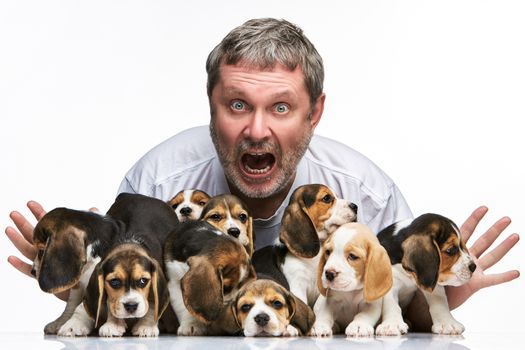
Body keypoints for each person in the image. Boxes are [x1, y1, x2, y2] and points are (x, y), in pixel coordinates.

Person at [5, 18, 520, 324]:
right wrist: (79, 279)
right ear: (211, 107)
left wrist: (437, 297)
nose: (255, 130)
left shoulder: (366, 195)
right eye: (236, 105)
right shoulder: (156, 183)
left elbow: (394, 314)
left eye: (280, 107)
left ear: (314, 113)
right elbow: (131, 303)